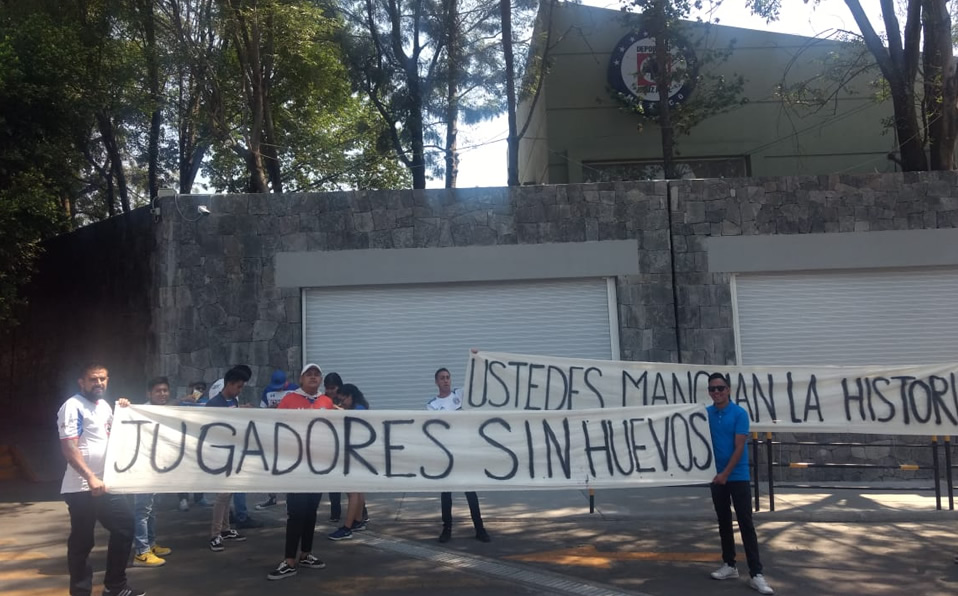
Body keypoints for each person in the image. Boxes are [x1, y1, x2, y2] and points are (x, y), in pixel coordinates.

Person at [57, 363, 143, 596]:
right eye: (93, 379)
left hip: (106, 484)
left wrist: (126, 411)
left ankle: (115, 586)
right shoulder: (72, 406)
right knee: (82, 542)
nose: (99, 383)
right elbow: (69, 448)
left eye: (103, 379)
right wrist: (90, 477)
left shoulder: (104, 406)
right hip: (82, 487)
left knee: (125, 528)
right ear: (81, 382)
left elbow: (117, 434)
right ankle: (80, 592)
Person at [706, 372, 774, 595]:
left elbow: (739, 448)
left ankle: (756, 574)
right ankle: (730, 565)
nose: (716, 392)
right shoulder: (705, 414)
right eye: (712, 389)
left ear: (728, 389)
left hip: (737, 476)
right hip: (716, 477)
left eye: (720, 388)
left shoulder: (739, 414)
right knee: (723, 521)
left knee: (745, 523)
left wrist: (725, 473)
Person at [267, 363, 332, 580]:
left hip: (318, 467)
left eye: (317, 374)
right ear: (301, 379)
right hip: (295, 467)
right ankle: (289, 560)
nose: (313, 377)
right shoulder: (289, 400)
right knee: (296, 513)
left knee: (312, 510)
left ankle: (306, 553)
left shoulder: (327, 402)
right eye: (309, 374)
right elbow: (276, 427)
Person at [427, 368, 490, 543]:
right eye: (442, 378)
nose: (446, 381)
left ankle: (480, 528)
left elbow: (477, 385)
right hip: (446, 453)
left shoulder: (460, 394)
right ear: (436, 382)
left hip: (464, 450)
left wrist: (477, 359)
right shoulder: (432, 405)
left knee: (470, 490)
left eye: (448, 377)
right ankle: (447, 528)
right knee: (446, 492)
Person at [206, 367, 252, 552]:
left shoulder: (233, 401)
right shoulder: (214, 404)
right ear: (230, 384)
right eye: (239, 387)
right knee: (222, 495)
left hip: (233, 453)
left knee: (229, 493)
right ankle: (214, 534)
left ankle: (224, 529)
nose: (240, 391)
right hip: (219, 455)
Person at [131, 377, 174, 568]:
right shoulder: (138, 413)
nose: (162, 394)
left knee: (151, 509)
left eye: (165, 390)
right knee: (141, 511)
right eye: (158, 391)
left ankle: (151, 544)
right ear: (149, 394)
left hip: (157, 469)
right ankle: (141, 552)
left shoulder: (166, 412)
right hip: (142, 470)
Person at [328, 384, 369, 541]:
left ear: (351, 396)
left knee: (352, 491)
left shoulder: (358, 409)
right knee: (357, 491)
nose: (342, 402)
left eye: (343, 398)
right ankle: (357, 520)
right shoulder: (360, 407)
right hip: (356, 455)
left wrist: (336, 410)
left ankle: (347, 527)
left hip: (355, 456)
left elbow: (351, 419)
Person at [256, 370, 300, 510]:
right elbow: (261, 411)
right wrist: (270, 408)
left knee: (290, 465)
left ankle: (291, 497)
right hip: (273, 431)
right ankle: (272, 496)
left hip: (290, 433)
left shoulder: (294, 390)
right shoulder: (268, 391)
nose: (279, 389)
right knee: (271, 465)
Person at [321, 373, 346, 522]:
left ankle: (361, 513)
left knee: (353, 484)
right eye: (328, 388)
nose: (330, 391)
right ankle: (335, 512)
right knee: (333, 483)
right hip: (329, 446)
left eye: (333, 388)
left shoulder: (345, 398)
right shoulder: (322, 400)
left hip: (345, 445)